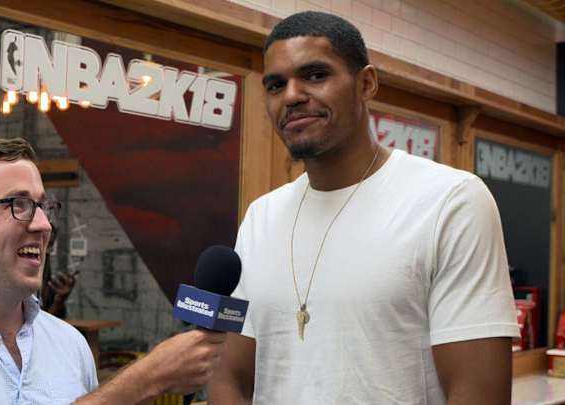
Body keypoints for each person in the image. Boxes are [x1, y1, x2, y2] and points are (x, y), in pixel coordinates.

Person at [209, 11, 519, 405]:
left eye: (315, 75)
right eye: (276, 85)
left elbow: (479, 394)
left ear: (366, 83)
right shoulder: (261, 217)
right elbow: (229, 379)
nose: (291, 96)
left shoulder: (451, 201)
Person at [0, 137, 225, 404]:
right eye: (18, 205)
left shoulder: (69, 343)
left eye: (43, 206)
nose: (43, 224)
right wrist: (148, 378)